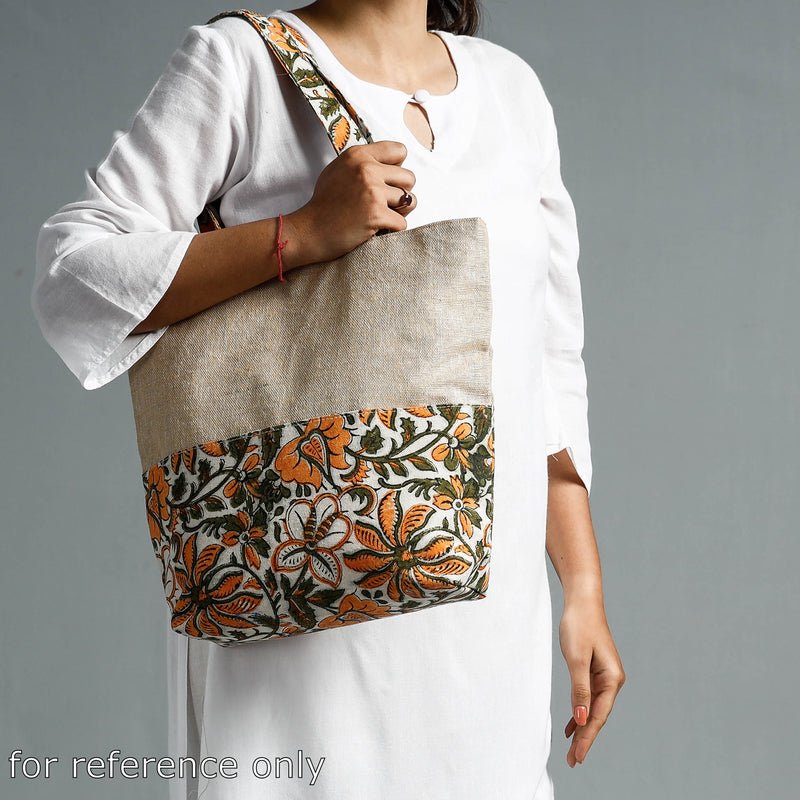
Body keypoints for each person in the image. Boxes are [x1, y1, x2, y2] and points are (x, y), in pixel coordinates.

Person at [31, 2, 625, 798]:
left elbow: (547, 359)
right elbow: (72, 274)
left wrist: (582, 587)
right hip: (305, 607)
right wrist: (303, 232)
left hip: (489, 628)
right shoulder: (241, 64)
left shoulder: (511, 89)